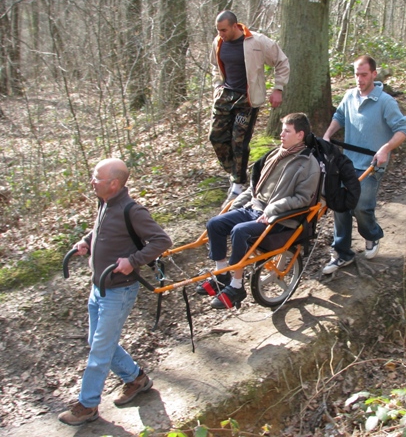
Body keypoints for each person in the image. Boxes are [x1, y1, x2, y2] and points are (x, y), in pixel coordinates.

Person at [58, 159, 172, 426]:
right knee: (97, 342)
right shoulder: (105, 202)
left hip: (119, 292)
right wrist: (86, 241)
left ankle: (87, 406)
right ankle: (136, 378)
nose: (92, 181)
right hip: (99, 287)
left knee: (100, 350)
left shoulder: (132, 210)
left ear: (114, 183)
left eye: (96, 178)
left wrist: (132, 261)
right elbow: (101, 229)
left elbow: (162, 240)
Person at [200, 113, 321, 308]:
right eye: (282, 130)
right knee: (216, 223)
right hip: (254, 208)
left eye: (287, 131)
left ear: (300, 135)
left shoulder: (308, 164)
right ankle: (221, 275)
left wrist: (274, 209)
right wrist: (237, 204)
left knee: (240, 231)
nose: (281, 134)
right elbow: (254, 187)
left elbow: (303, 199)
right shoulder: (275, 155)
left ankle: (236, 286)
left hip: (279, 219)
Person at [322, 55, 406, 274]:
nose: (360, 79)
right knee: (340, 205)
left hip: (372, 163)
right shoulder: (349, 96)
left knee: (361, 206)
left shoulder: (385, 102)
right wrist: (327, 135)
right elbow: (340, 116)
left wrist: (385, 149)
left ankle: (372, 234)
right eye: (357, 74)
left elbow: (403, 130)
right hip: (347, 163)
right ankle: (342, 253)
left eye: (364, 75)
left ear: (374, 74)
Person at [209, 10, 290, 202]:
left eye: (224, 30)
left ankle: (238, 183)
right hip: (225, 95)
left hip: (248, 98)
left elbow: (282, 61)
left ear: (235, 26)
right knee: (216, 137)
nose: (221, 34)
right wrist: (217, 86)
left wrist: (278, 88)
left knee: (239, 141)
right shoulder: (218, 42)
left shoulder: (257, 42)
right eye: (218, 30)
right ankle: (235, 172)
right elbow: (214, 66)